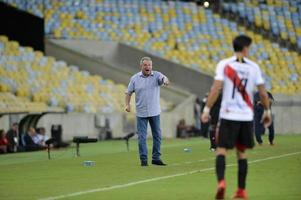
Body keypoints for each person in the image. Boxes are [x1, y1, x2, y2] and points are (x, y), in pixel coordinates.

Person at [201, 35, 272, 200]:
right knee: (241, 153)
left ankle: (221, 183)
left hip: (228, 115)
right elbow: (262, 92)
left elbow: (216, 88)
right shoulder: (254, 67)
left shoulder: (224, 64)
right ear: (246, 48)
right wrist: (267, 112)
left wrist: (206, 109)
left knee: (221, 149)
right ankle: (241, 190)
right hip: (246, 116)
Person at [125, 56, 169, 166]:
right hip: (141, 113)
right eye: (145, 65)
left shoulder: (157, 75)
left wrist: (165, 81)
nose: (147, 67)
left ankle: (156, 158)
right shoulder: (134, 78)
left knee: (157, 135)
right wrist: (127, 105)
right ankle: (143, 160)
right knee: (142, 137)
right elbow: (128, 92)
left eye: (149, 65)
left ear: (151, 66)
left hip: (154, 112)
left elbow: (164, 79)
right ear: (141, 66)